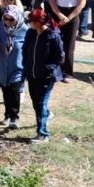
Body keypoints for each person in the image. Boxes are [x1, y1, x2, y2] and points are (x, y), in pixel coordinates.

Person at [23, 8, 64, 143]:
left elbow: (59, 57)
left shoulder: (53, 36)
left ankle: (43, 134)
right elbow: (25, 51)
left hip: (46, 77)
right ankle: (46, 114)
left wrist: (48, 70)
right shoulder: (30, 33)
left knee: (40, 103)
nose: (29, 24)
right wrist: (27, 67)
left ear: (38, 22)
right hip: (32, 75)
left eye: (31, 21)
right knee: (36, 102)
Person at [48, 0, 86, 83]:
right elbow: (52, 0)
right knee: (55, 42)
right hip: (58, 13)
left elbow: (81, 4)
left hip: (72, 15)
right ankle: (53, 69)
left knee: (69, 45)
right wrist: (59, 15)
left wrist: (68, 18)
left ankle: (68, 72)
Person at [0, 4, 27, 131]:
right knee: (6, 91)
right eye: (5, 18)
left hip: (18, 66)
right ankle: (7, 114)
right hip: (2, 65)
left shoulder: (25, 30)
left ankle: (14, 117)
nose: (7, 22)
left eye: (11, 19)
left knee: (15, 90)